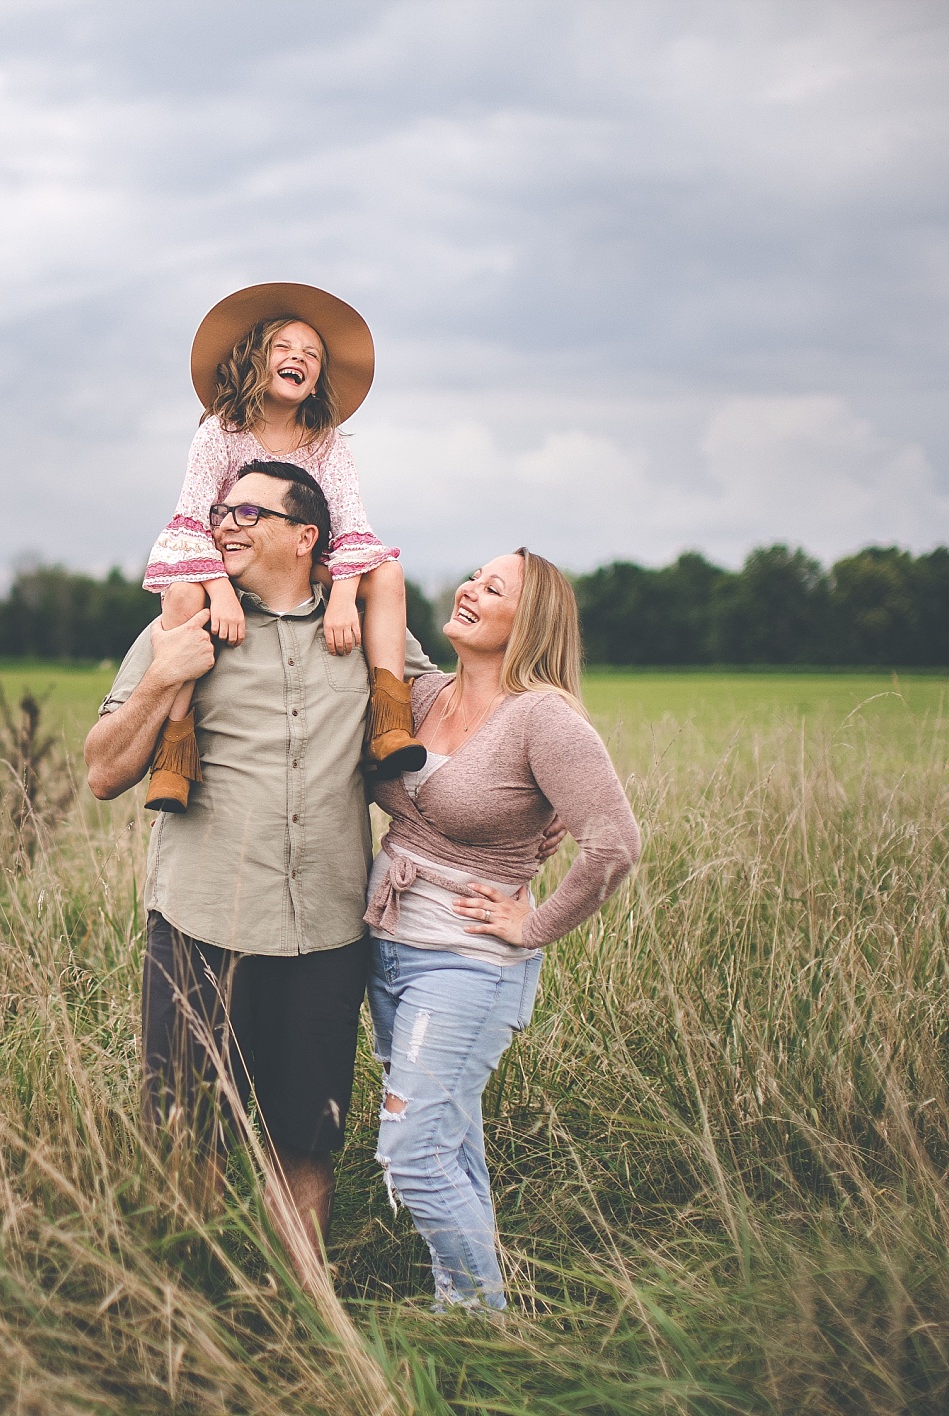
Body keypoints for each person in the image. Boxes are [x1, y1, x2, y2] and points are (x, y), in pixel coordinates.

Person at [86, 460, 375, 1271]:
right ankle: (189, 1315)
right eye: (220, 511)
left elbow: (430, 738)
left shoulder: (368, 633)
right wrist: (161, 683)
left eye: (248, 512)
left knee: (306, 1138)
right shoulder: (182, 627)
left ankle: (303, 1317)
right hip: (200, 925)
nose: (225, 525)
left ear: (304, 534)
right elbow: (103, 771)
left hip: (328, 929)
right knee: (190, 1135)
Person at [361, 548, 641, 1311]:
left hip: (467, 967)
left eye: (495, 587)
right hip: (389, 955)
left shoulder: (541, 719)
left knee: (413, 1156)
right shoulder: (420, 694)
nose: (470, 589)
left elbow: (615, 844)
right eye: (472, 576)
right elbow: (365, 591)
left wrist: (535, 924)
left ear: (533, 621)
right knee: (447, 1140)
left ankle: (483, 1313)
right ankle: (468, 1316)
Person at [140, 282, 431, 813]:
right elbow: (190, 520)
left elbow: (351, 528)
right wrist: (220, 594)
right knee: (179, 597)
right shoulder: (220, 432)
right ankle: (174, 752)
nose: (298, 357)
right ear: (257, 360)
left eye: (312, 355)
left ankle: (390, 722)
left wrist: (344, 598)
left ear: (317, 380)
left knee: (386, 573)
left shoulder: (327, 444)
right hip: (224, 558)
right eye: (284, 348)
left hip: (306, 561)